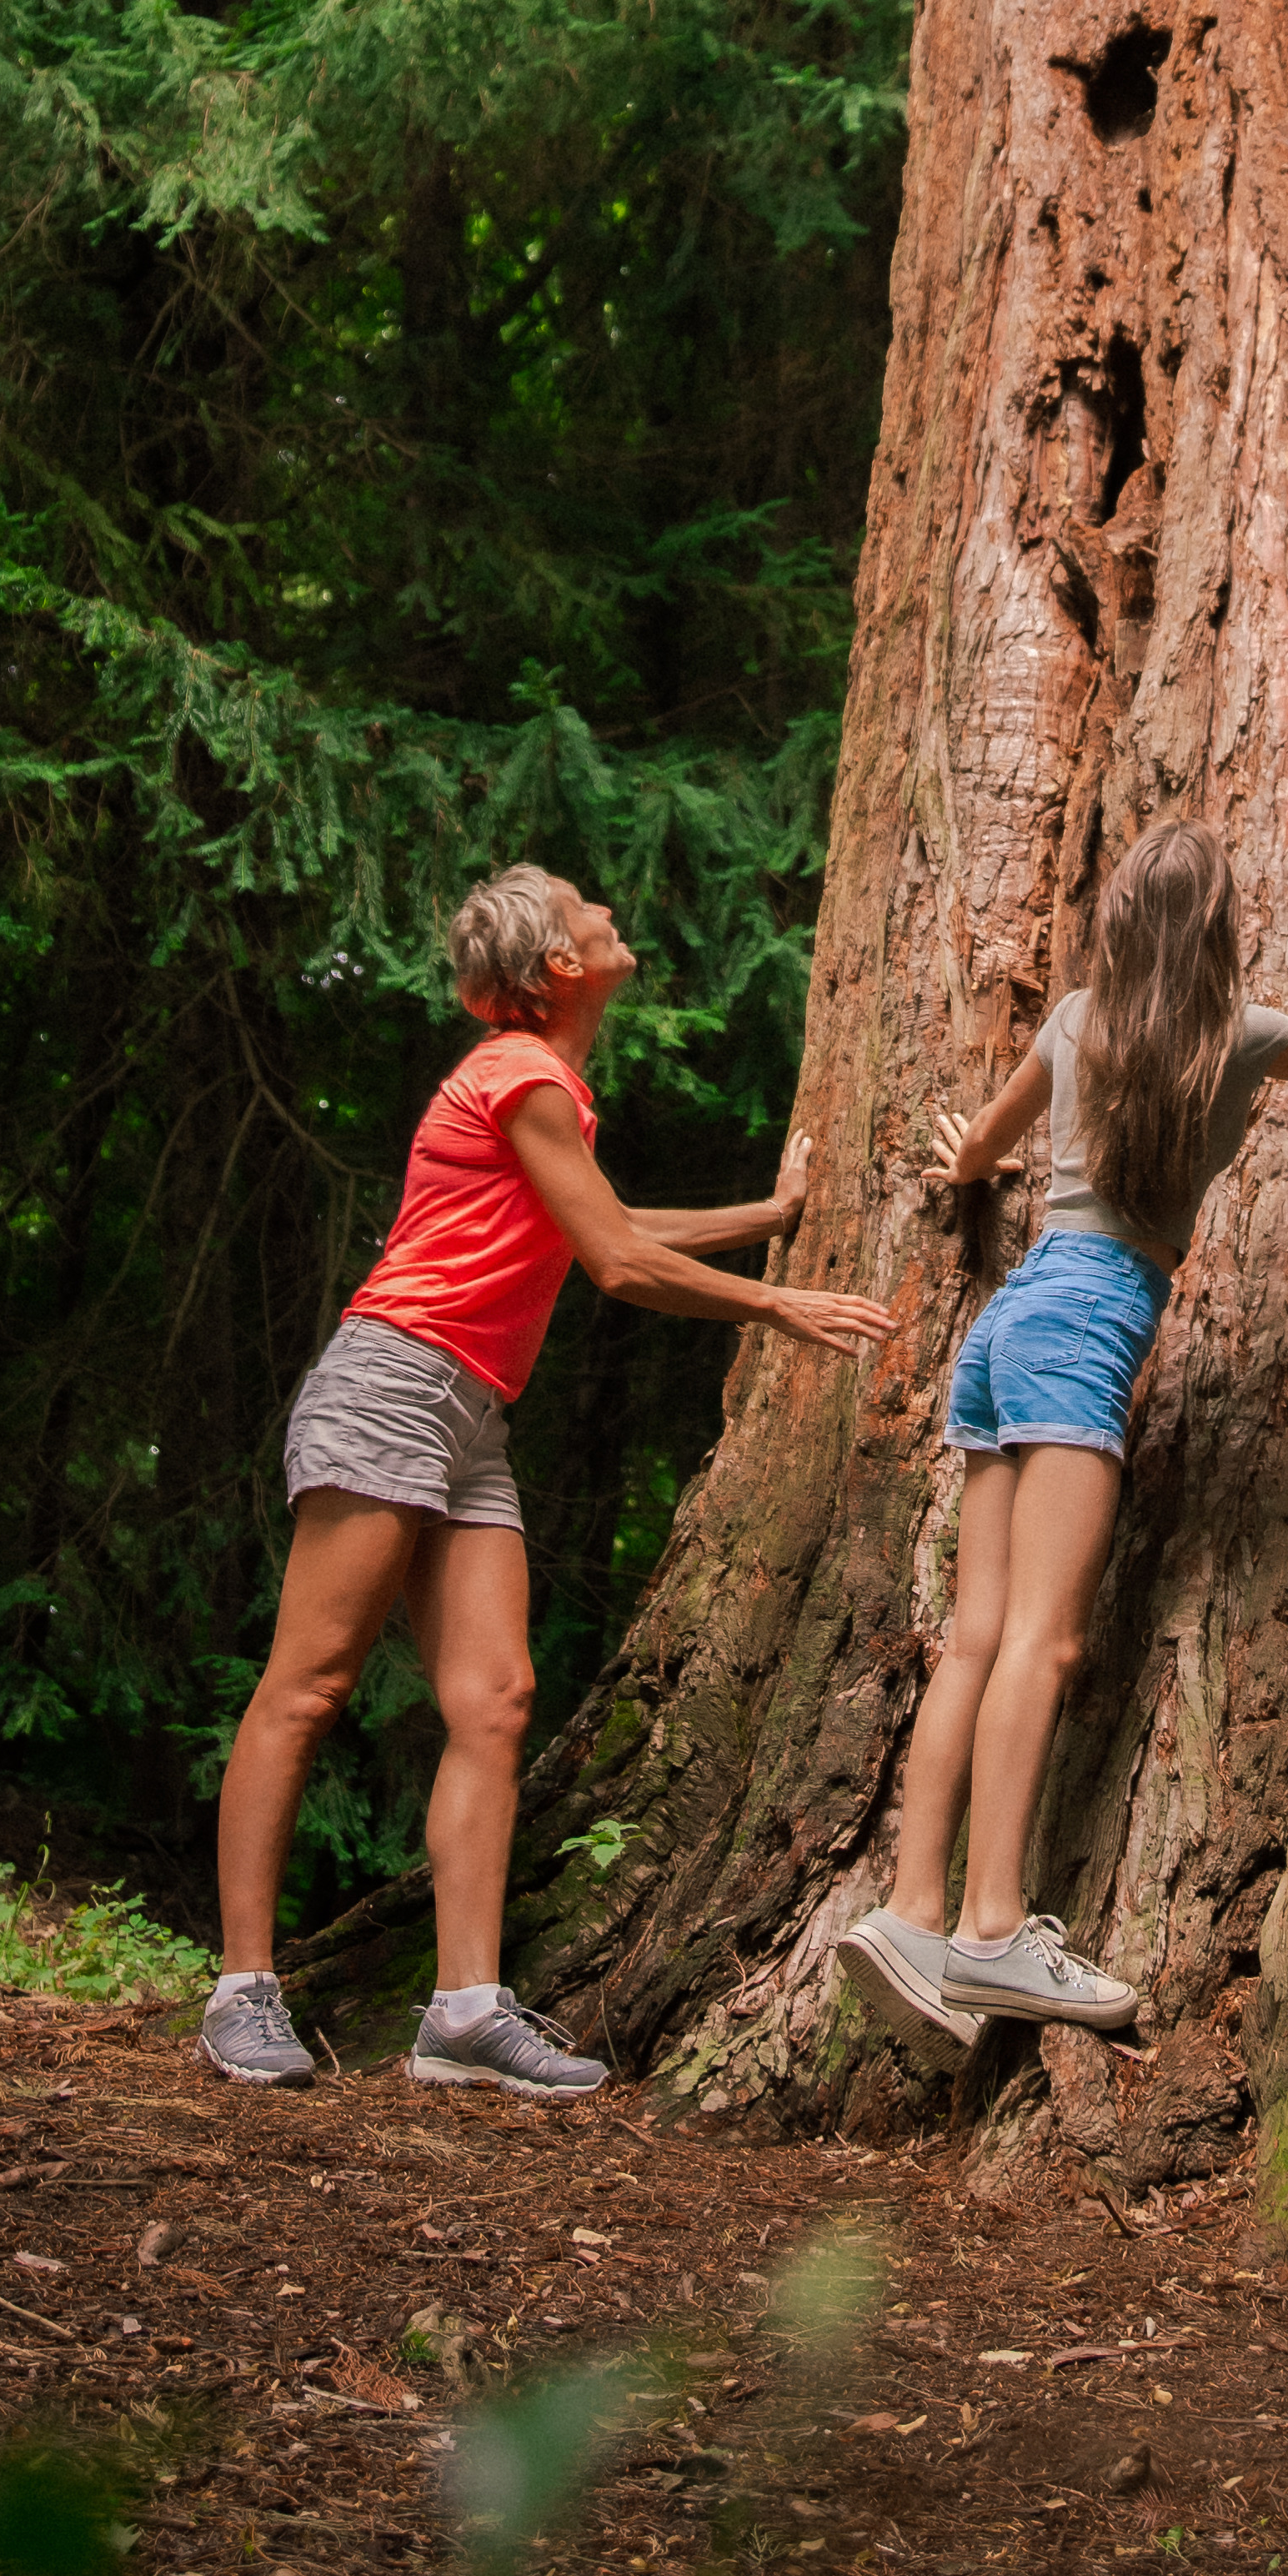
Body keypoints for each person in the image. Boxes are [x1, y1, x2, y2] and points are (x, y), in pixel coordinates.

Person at [203, 861, 891, 2095]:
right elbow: (620, 1263)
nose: (615, 916)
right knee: (310, 1685)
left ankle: (465, 2014)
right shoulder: (519, 1075)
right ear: (559, 965)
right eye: (592, 913)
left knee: (498, 1701)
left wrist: (773, 1212)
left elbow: (605, 1228)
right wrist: (779, 1302)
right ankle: (242, 1989)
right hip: (397, 1382)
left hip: (468, 1415)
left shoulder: (547, 1088)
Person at [840, 817, 1288, 2041]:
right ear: (1217, 935)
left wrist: (966, 1161)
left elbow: (980, 1148)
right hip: (1086, 1326)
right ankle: (989, 1933)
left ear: (1117, 928)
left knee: (976, 1639)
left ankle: (911, 1912)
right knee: (1044, 1645)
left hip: (1009, 1320)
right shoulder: (1237, 1042)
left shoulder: (1075, 1020)